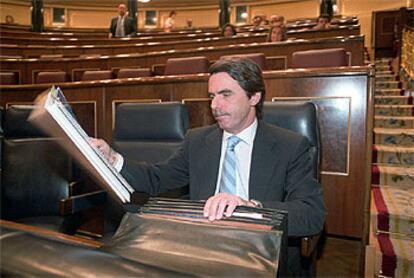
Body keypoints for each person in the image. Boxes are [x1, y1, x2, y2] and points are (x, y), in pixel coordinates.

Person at [92, 57, 326, 276]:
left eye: (226, 95)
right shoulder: (197, 141)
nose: (215, 105)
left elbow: (311, 214)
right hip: (200, 247)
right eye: (212, 96)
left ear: (254, 97)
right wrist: (113, 159)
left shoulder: (290, 146)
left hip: (257, 252)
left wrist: (250, 207)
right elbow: (157, 178)